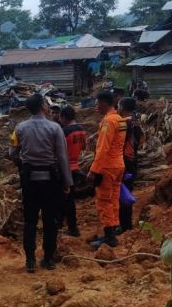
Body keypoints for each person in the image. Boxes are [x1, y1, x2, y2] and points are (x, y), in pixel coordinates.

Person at [9, 94, 73, 272]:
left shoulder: (20, 128)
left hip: (29, 181)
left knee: (30, 220)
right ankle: (48, 258)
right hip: (51, 181)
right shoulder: (55, 128)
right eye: (46, 103)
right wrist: (67, 181)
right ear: (43, 107)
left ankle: (30, 260)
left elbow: (12, 153)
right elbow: (62, 157)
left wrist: (23, 163)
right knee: (49, 220)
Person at [87, 91, 126, 249]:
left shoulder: (108, 122)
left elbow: (103, 148)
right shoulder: (120, 119)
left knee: (104, 201)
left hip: (107, 167)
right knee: (114, 199)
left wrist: (93, 170)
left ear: (103, 103)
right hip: (118, 165)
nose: (96, 106)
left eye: (97, 103)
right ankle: (113, 230)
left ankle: (109, 237)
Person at [58, 105, 87, 237]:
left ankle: (72, 228)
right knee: (68, 199)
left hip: (65, 169)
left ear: (63, 117)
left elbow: (59, 151)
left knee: (65, 200)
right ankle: (64, 224)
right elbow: (84, 147)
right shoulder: (81, 130)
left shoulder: (64, 131)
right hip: (76, 167)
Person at [117, 97, 145, 234]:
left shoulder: (124, 123)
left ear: (122, 107)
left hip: (125, 162)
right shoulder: (136, 122)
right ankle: (125, 224)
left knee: (122, 194)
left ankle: (124, 225)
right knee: (126, 192)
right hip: (132, 162)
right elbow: (141, 140)